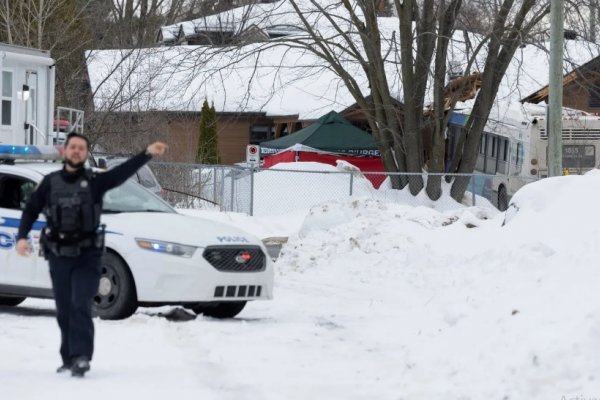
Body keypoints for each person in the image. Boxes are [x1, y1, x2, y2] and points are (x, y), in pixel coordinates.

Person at [15, 133, 167, 377]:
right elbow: (31, 209)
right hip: (58, 255)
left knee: (80, 305)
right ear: (65, 152)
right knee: (64, 309)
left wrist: (147, 153)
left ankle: (82, 356)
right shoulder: (50, 183)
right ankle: (68, 357)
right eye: (72, 147)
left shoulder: (95, 182)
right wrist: (22, 237)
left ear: (86, 154)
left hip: (88, 256)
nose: (76, 151)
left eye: (81, 148)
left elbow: (122, 173)